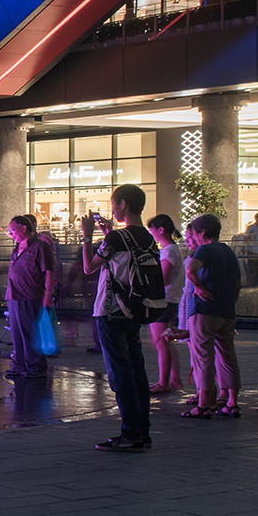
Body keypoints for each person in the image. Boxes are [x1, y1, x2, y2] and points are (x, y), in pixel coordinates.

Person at [81, 184, 155, 452]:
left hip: (111, 310)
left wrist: (88, 237)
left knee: (120, 372)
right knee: (137, 370)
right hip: (134, 308)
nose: (112, 208)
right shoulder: (147, 237)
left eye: (114, 203)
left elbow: (89, 267)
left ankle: (130, 433)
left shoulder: (117, 237)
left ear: (123, 204)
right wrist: (108, 235)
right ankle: (142, 431)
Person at [182, 214, 242, 418]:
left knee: (203, 357)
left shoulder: (204, 250)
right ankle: (232, 402)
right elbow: (238, 284)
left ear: (202, 232)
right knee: (227, 355)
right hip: (226, 311)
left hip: (204, 310)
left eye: (194, 233)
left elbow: (191, 270)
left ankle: (204, 404)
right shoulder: (229, 251)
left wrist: (199, 287)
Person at [5, 214, 56, 379]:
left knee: (30, 333)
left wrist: (48, 295)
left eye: (13, 230)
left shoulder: (40, 246)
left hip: (30, 295)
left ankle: (36, 366)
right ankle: (20, 364)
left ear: (23, 228)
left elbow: (49, 271)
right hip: (14, 296)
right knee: (17, 333)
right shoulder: (17, 247)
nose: (11, 234)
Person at [146, 214, 186, 395]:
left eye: (152, 230)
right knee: (166, 341)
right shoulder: (174, 249)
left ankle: (163, 382)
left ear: (160, 230)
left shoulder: (168, 251)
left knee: (160, 341)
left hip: (164, 300)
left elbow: (163, 278)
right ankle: (174, 379)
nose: (151, 234)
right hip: (171, 299)